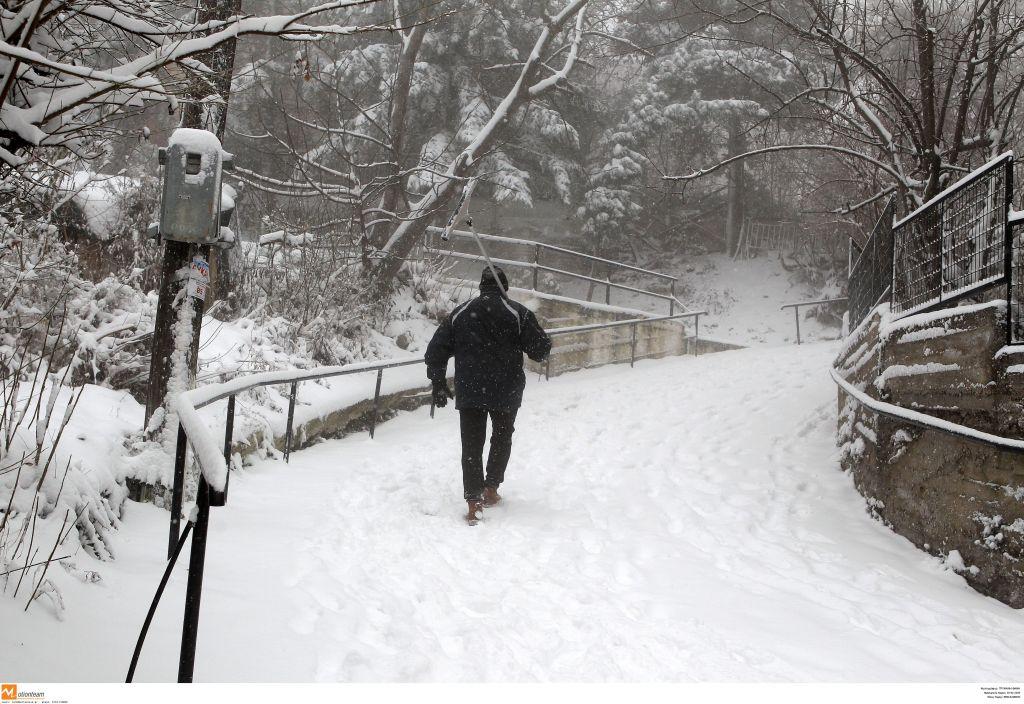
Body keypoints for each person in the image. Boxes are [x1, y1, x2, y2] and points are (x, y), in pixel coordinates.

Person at [425, 265, 552, 524]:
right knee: (501, 439)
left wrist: (438, 382)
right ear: (504, 287)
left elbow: (435, 351)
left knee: (472, 445)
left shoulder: (461, 313)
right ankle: (491, 489)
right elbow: (540, 351)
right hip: (506, 390)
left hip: (471, 390)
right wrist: (537, 339)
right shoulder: (518, 313)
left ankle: (474, 503)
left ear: (481, 286)